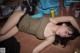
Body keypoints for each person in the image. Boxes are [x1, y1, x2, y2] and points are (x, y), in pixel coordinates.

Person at [0, 5, 80, 53]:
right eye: (66, 31)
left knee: (1, 38)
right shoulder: (53, 20)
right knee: (2, 32)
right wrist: (79, 31)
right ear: (64, 24)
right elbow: (71, 18)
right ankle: (13, 9)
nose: (63, 35)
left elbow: (35, 51)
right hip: (20, 17)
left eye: (65, 36)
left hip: (19, 28)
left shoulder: (51, 38)